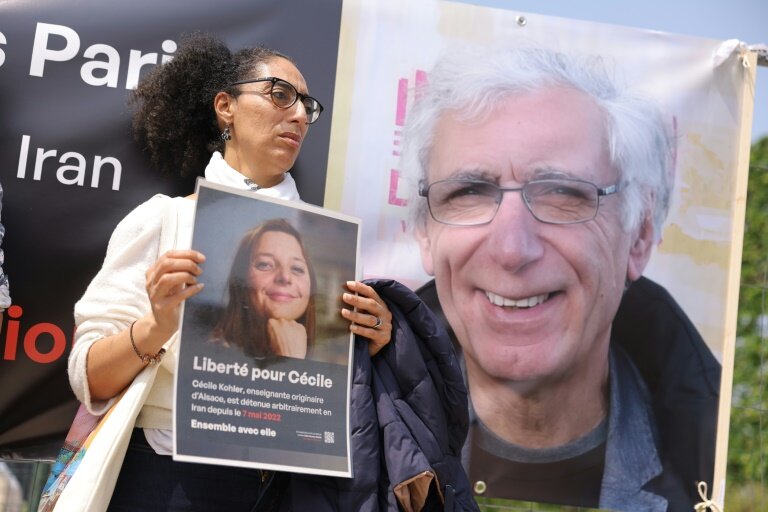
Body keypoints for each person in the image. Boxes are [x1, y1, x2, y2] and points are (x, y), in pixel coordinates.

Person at [66, 34, 392, 511]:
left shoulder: (331, 250)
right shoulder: (166, 220)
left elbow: (339, 409)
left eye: (307, 106)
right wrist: (157, 326)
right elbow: (87, 377)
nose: (299, 115)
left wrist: (375, 347)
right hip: (165, 481)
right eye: (280, 95)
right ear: (226, 107)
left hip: (286, 491)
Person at [403, 46, 720, 511]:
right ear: (425, 234)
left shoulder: (737, 471)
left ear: (639, 235)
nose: (512, 249)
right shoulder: (333, 442)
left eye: (562, 194)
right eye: (469, 191)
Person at [211, 218, 318, 359]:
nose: (285, 277)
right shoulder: (213, 357)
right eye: (265, 264)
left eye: (297, 268)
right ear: (241, 282)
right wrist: (290, 362)